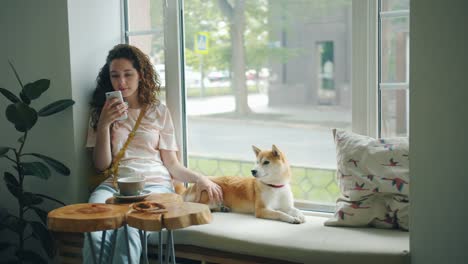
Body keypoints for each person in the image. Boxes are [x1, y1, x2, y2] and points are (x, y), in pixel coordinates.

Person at [83, 44, 223, 263]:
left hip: (154, 185)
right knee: (94, 231)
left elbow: (172, 165)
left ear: (141, 75)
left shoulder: (158, 111)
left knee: (130, 233)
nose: (121, 82)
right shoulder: (101, 113)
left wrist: (200, 178)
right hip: (115, 185)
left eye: (128, 74)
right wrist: (103, 124)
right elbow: (101, 165)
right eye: (115, 76)